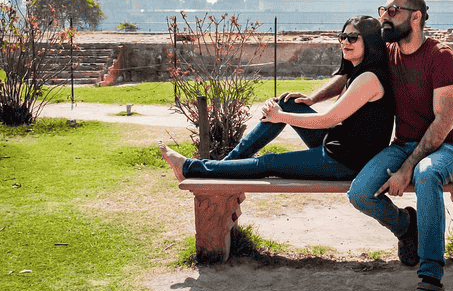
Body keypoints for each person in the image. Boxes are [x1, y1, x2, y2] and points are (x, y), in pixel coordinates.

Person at [347, 0, 453, 291]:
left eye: (393, 10)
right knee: (360, 193)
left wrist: (407, 169)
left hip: (447, 147)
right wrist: (313, 100)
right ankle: (406, 226)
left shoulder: (441, 57)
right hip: (403, 145)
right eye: (384, 9)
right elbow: (352, 76)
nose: (384, 16)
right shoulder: (388, 52)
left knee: (427, 174)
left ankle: (430, 277)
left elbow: (443, 123)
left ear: (416, 17)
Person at [159, 15, 394, 183]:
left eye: (353, 38)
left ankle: (192, 168)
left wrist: (279, 117)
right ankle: (224, 167)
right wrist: (307, 101)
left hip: (347, 162)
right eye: (343, 36)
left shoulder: (369, 79)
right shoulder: (358, 71)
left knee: (268, 163)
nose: (345, 42)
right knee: (288, 101)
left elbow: (328, 120)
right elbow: (340, 82)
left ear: (370, 43)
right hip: (340, 148)